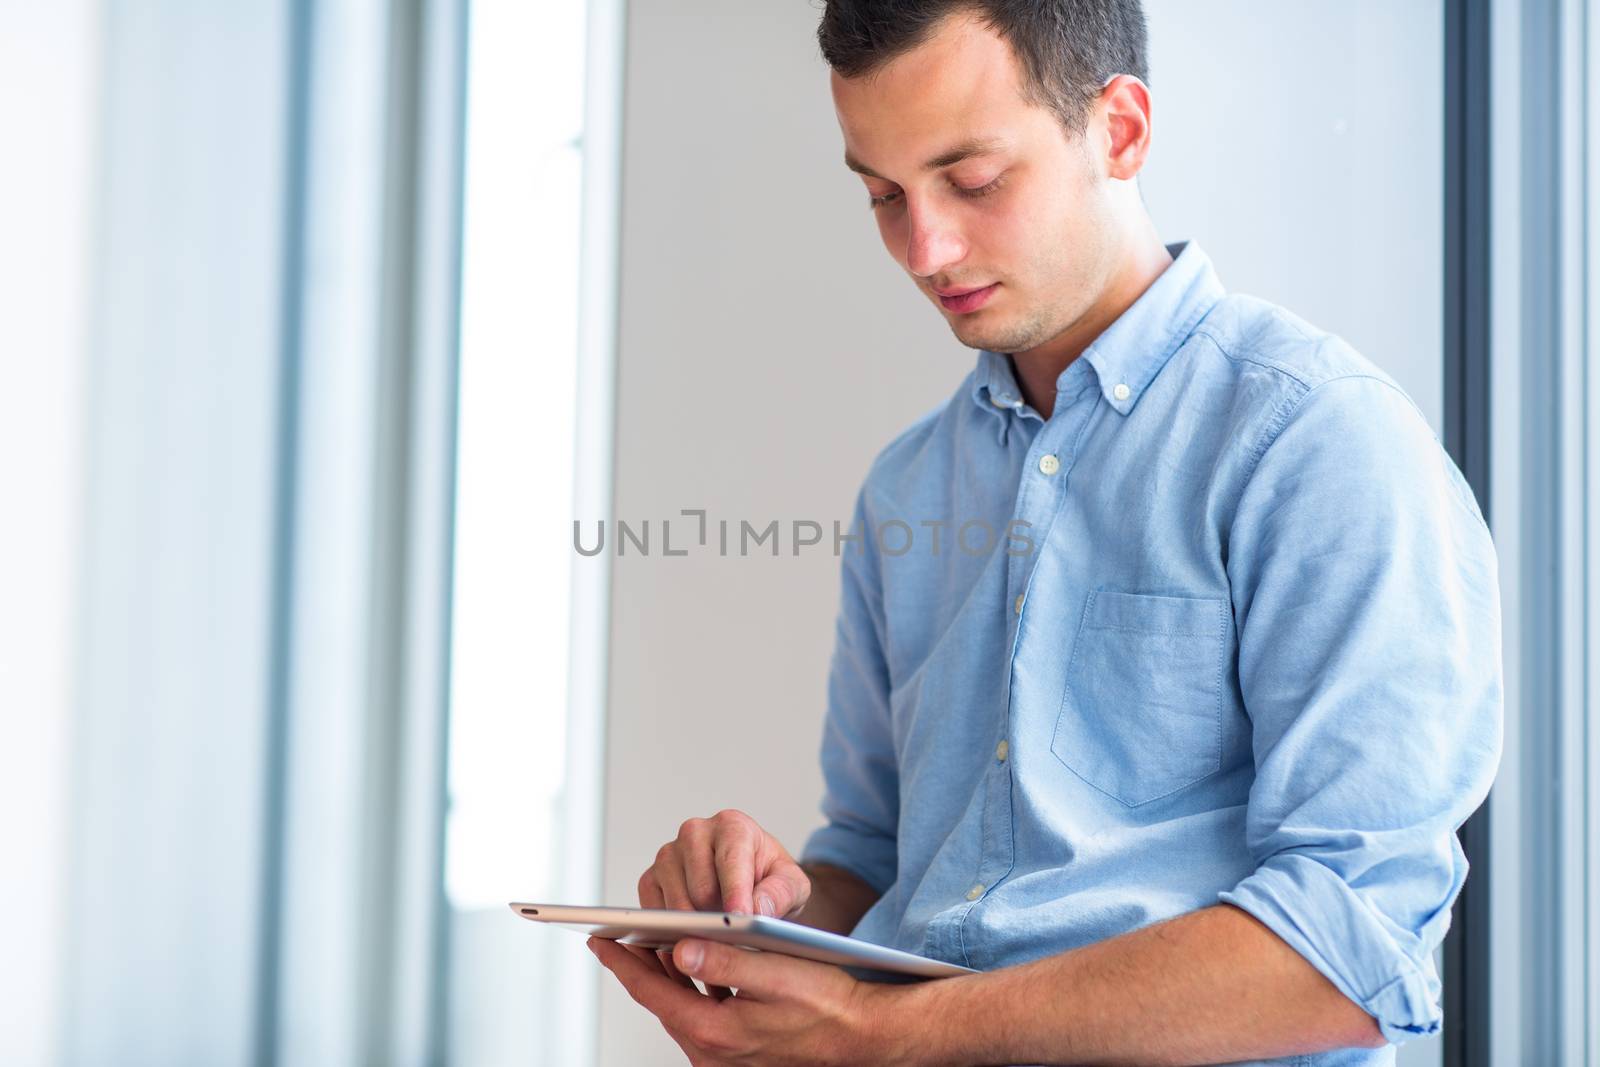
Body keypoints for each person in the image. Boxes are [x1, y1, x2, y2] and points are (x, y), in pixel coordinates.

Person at [587, 2, 1504, 1064]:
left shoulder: (1315, 439)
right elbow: (877, 860)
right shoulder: (907, 486)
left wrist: (885, 1034)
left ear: (1118, 130)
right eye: (883, 193)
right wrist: (771, 899)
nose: (923, 247)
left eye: (973, 180)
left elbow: (1352, 950)